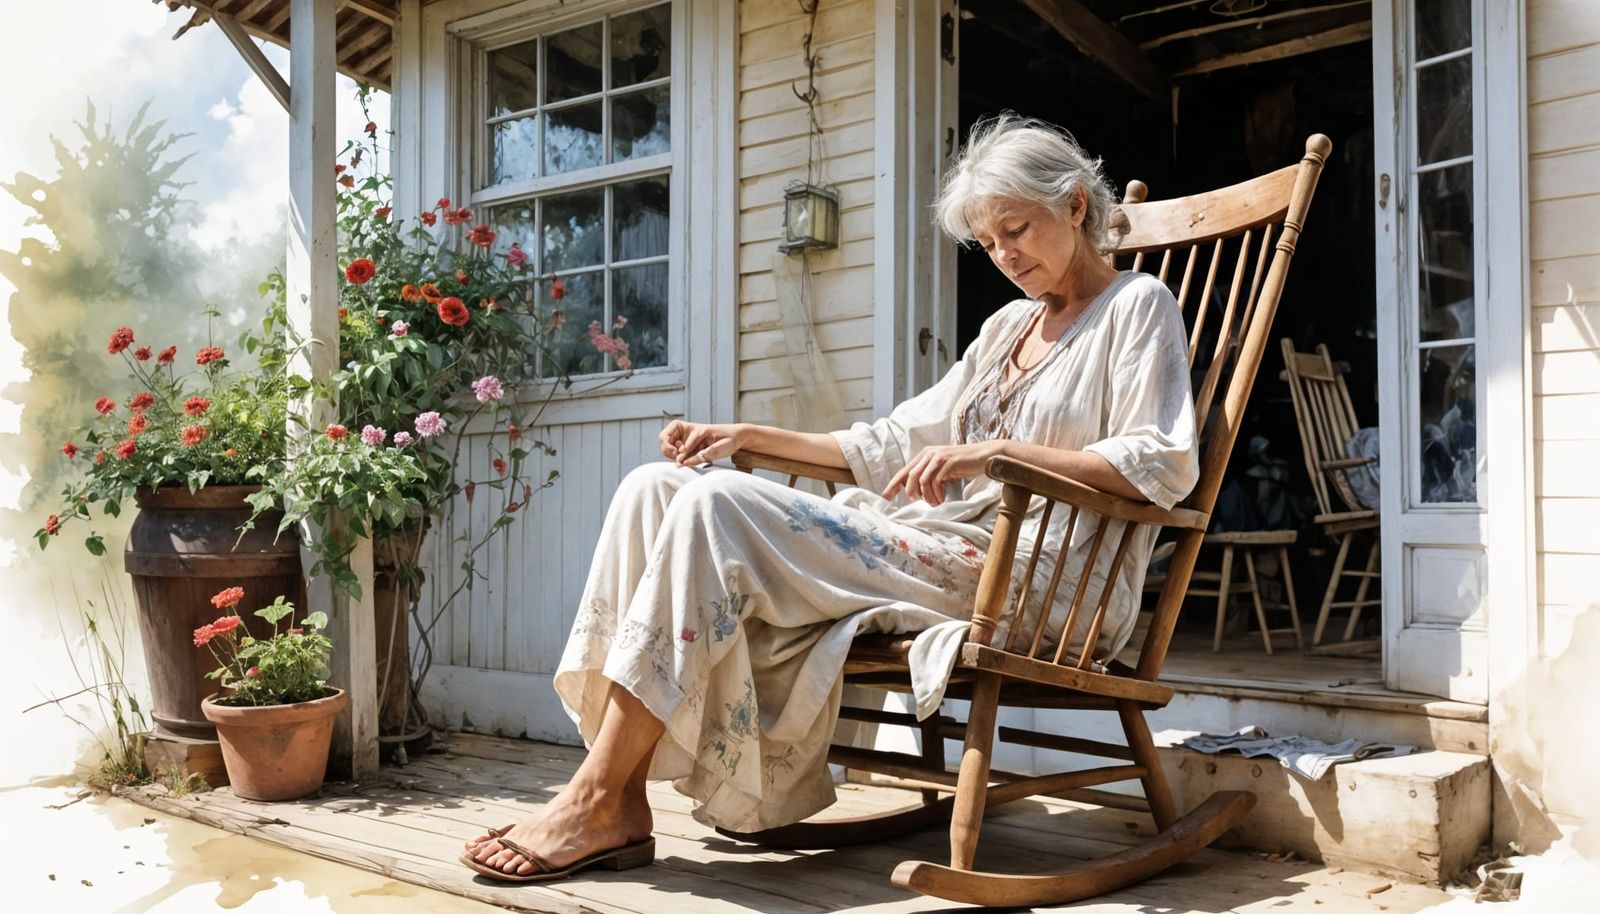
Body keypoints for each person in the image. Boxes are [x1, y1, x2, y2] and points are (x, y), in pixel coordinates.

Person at [460, 114, 1199, 883]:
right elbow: (892, 443)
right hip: (943, 548)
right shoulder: (1010, 326)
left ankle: (593, 799)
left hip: (1036, 580)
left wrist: (997, 454)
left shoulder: (1136, 306)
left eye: (1017, 230)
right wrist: (747, 436)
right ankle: (618, 793)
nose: (1005, 255)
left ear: (1075, 205)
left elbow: (1163, 460)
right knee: (654, 488)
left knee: (716, 509)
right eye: (988, 243)